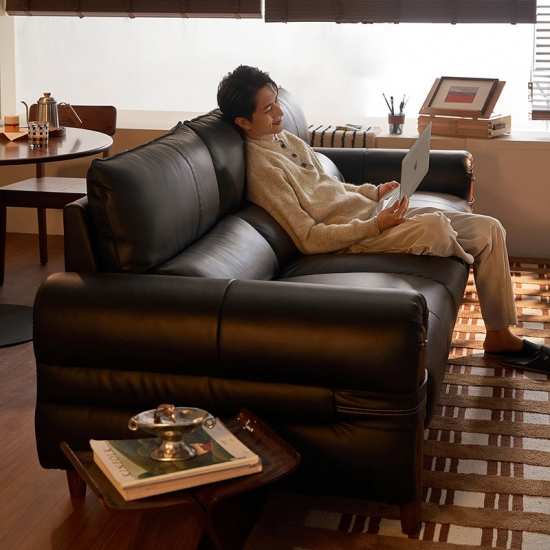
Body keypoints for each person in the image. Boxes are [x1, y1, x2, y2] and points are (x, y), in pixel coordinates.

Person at [217, 65, 550, 372]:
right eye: (268, 109)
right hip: (355, 237)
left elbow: (329, 187)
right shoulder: (262, 170)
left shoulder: (284, 137)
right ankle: (461, 254)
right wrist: (376, 225)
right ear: (243, 122)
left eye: (277, 102)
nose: (279, 112)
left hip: (372, 214)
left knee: (491, 228)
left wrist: (374, 192)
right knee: (435, 227)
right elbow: (308, 237)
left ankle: (499, 334)